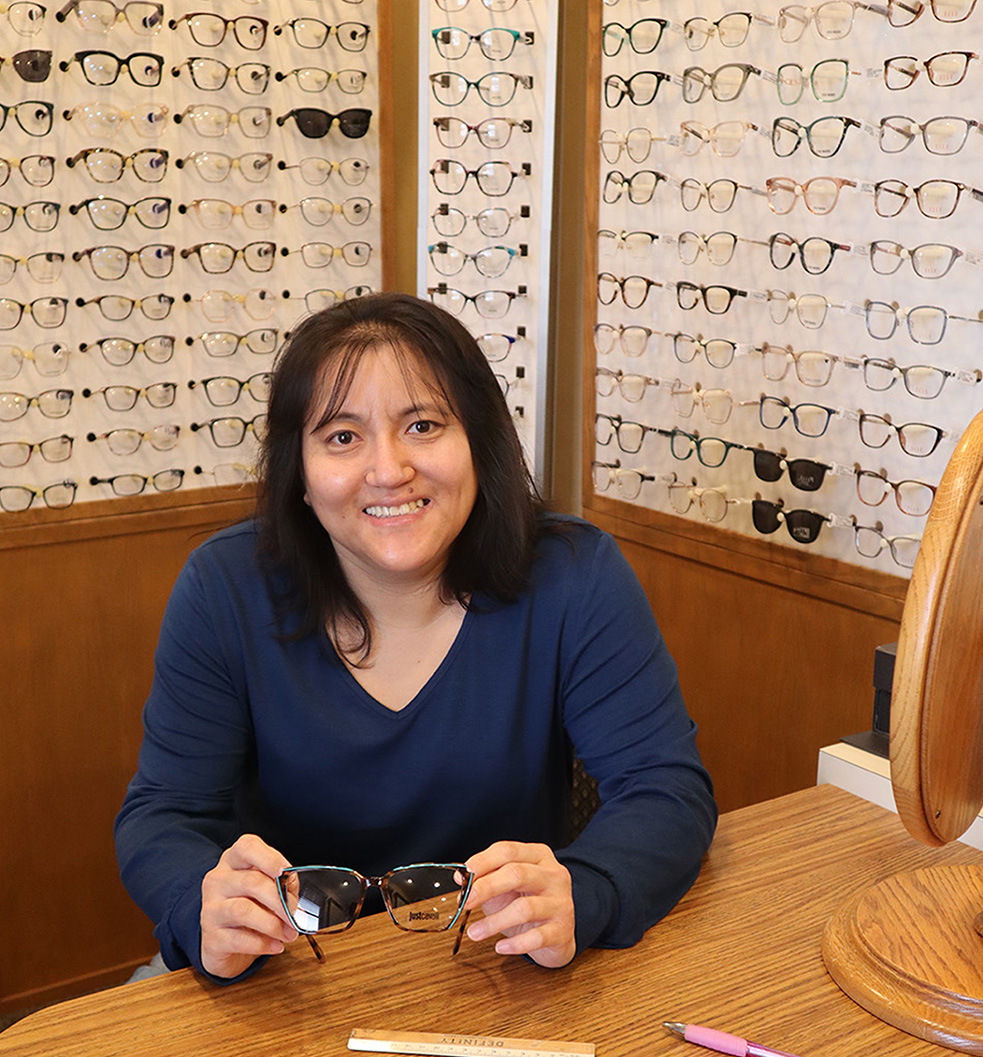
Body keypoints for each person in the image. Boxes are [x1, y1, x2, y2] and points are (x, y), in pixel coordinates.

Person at [115, 292, 716, 983]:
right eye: (342, 437)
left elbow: (663, 787)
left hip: (494, 961)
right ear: (301, 477)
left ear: (479, 446)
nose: (388, 470)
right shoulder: (226, 586)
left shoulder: (574, 576)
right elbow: (161, 815)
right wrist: (202, 907)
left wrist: (584, 891)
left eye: (423, 425)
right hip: (282, 972)